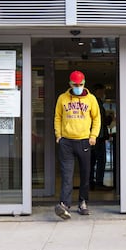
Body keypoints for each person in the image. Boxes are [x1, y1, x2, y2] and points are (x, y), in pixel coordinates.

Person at [54, 70, 101, 219]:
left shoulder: (91, 99)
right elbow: (58, 117)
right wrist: (59, 136)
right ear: (70, 84)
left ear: (84, 83)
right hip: (66, 141)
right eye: (75, 84)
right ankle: (64, 205)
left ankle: (83, 202)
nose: (78, 87)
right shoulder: (62, 98)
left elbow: (96, 118)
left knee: (85, 173)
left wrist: (93, 136)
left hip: (84, 140)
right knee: (67, 175)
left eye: (80, 84)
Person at [90, 83, 111, 189]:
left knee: (92, 160)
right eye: (102, 92)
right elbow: (100, 121)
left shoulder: (94, 102)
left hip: (95, 135)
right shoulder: (96, 102)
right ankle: (98, 183)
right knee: (100, 160)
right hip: (98, 136)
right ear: (97, 91)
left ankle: (90, 183)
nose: (103, 94)